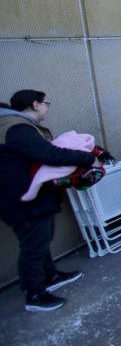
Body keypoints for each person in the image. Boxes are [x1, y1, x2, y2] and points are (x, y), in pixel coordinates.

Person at [1, 90, 103, 311]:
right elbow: (50, 154)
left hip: (23, 197)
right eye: (45, 103)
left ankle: (50, 276)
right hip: (21, 200)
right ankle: (35, 294)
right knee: (34, 244)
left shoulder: (12, 126)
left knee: (40, 238)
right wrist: (88, 158)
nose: (47, 107)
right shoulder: (16, 128)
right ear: (35, 104)